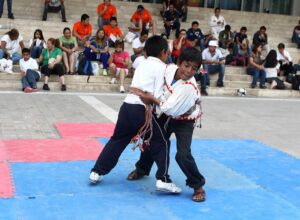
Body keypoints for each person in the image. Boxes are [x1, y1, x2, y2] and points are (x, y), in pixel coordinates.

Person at [89, 35, 182, 194]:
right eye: (167, 53)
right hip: (142, 110)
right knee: (162, 142)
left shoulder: (141, 62)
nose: (168, 56)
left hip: (127, 106)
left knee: (117, 140)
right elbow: (165, 87)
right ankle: (163, 179)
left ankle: (97, 172)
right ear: (163, 52)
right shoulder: (164, 68)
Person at [127, 47, 206, 202]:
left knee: (183, 155)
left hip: (184, 120)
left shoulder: (189, 87)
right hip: (167, 115)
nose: (189, 71)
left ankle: (197, 185)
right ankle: (142, 169)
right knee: (152, 141)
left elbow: (169, 107)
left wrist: (148, 97)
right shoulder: (169, 69)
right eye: (186, 65)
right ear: (178, 62)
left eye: (194, 68)